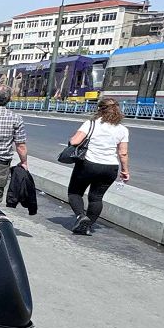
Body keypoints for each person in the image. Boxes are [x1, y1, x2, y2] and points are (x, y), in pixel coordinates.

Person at [66, 97, 131, 235]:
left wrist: (72, 141)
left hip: (88, 164)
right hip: (110, 168)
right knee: (96, 198)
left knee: (74, 192)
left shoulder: (91, 124)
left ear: (99, 109)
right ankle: (88, 226)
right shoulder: (123, 129)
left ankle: (81, 216)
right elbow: (123, 153)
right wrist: (125, 171)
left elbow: (75, 141)